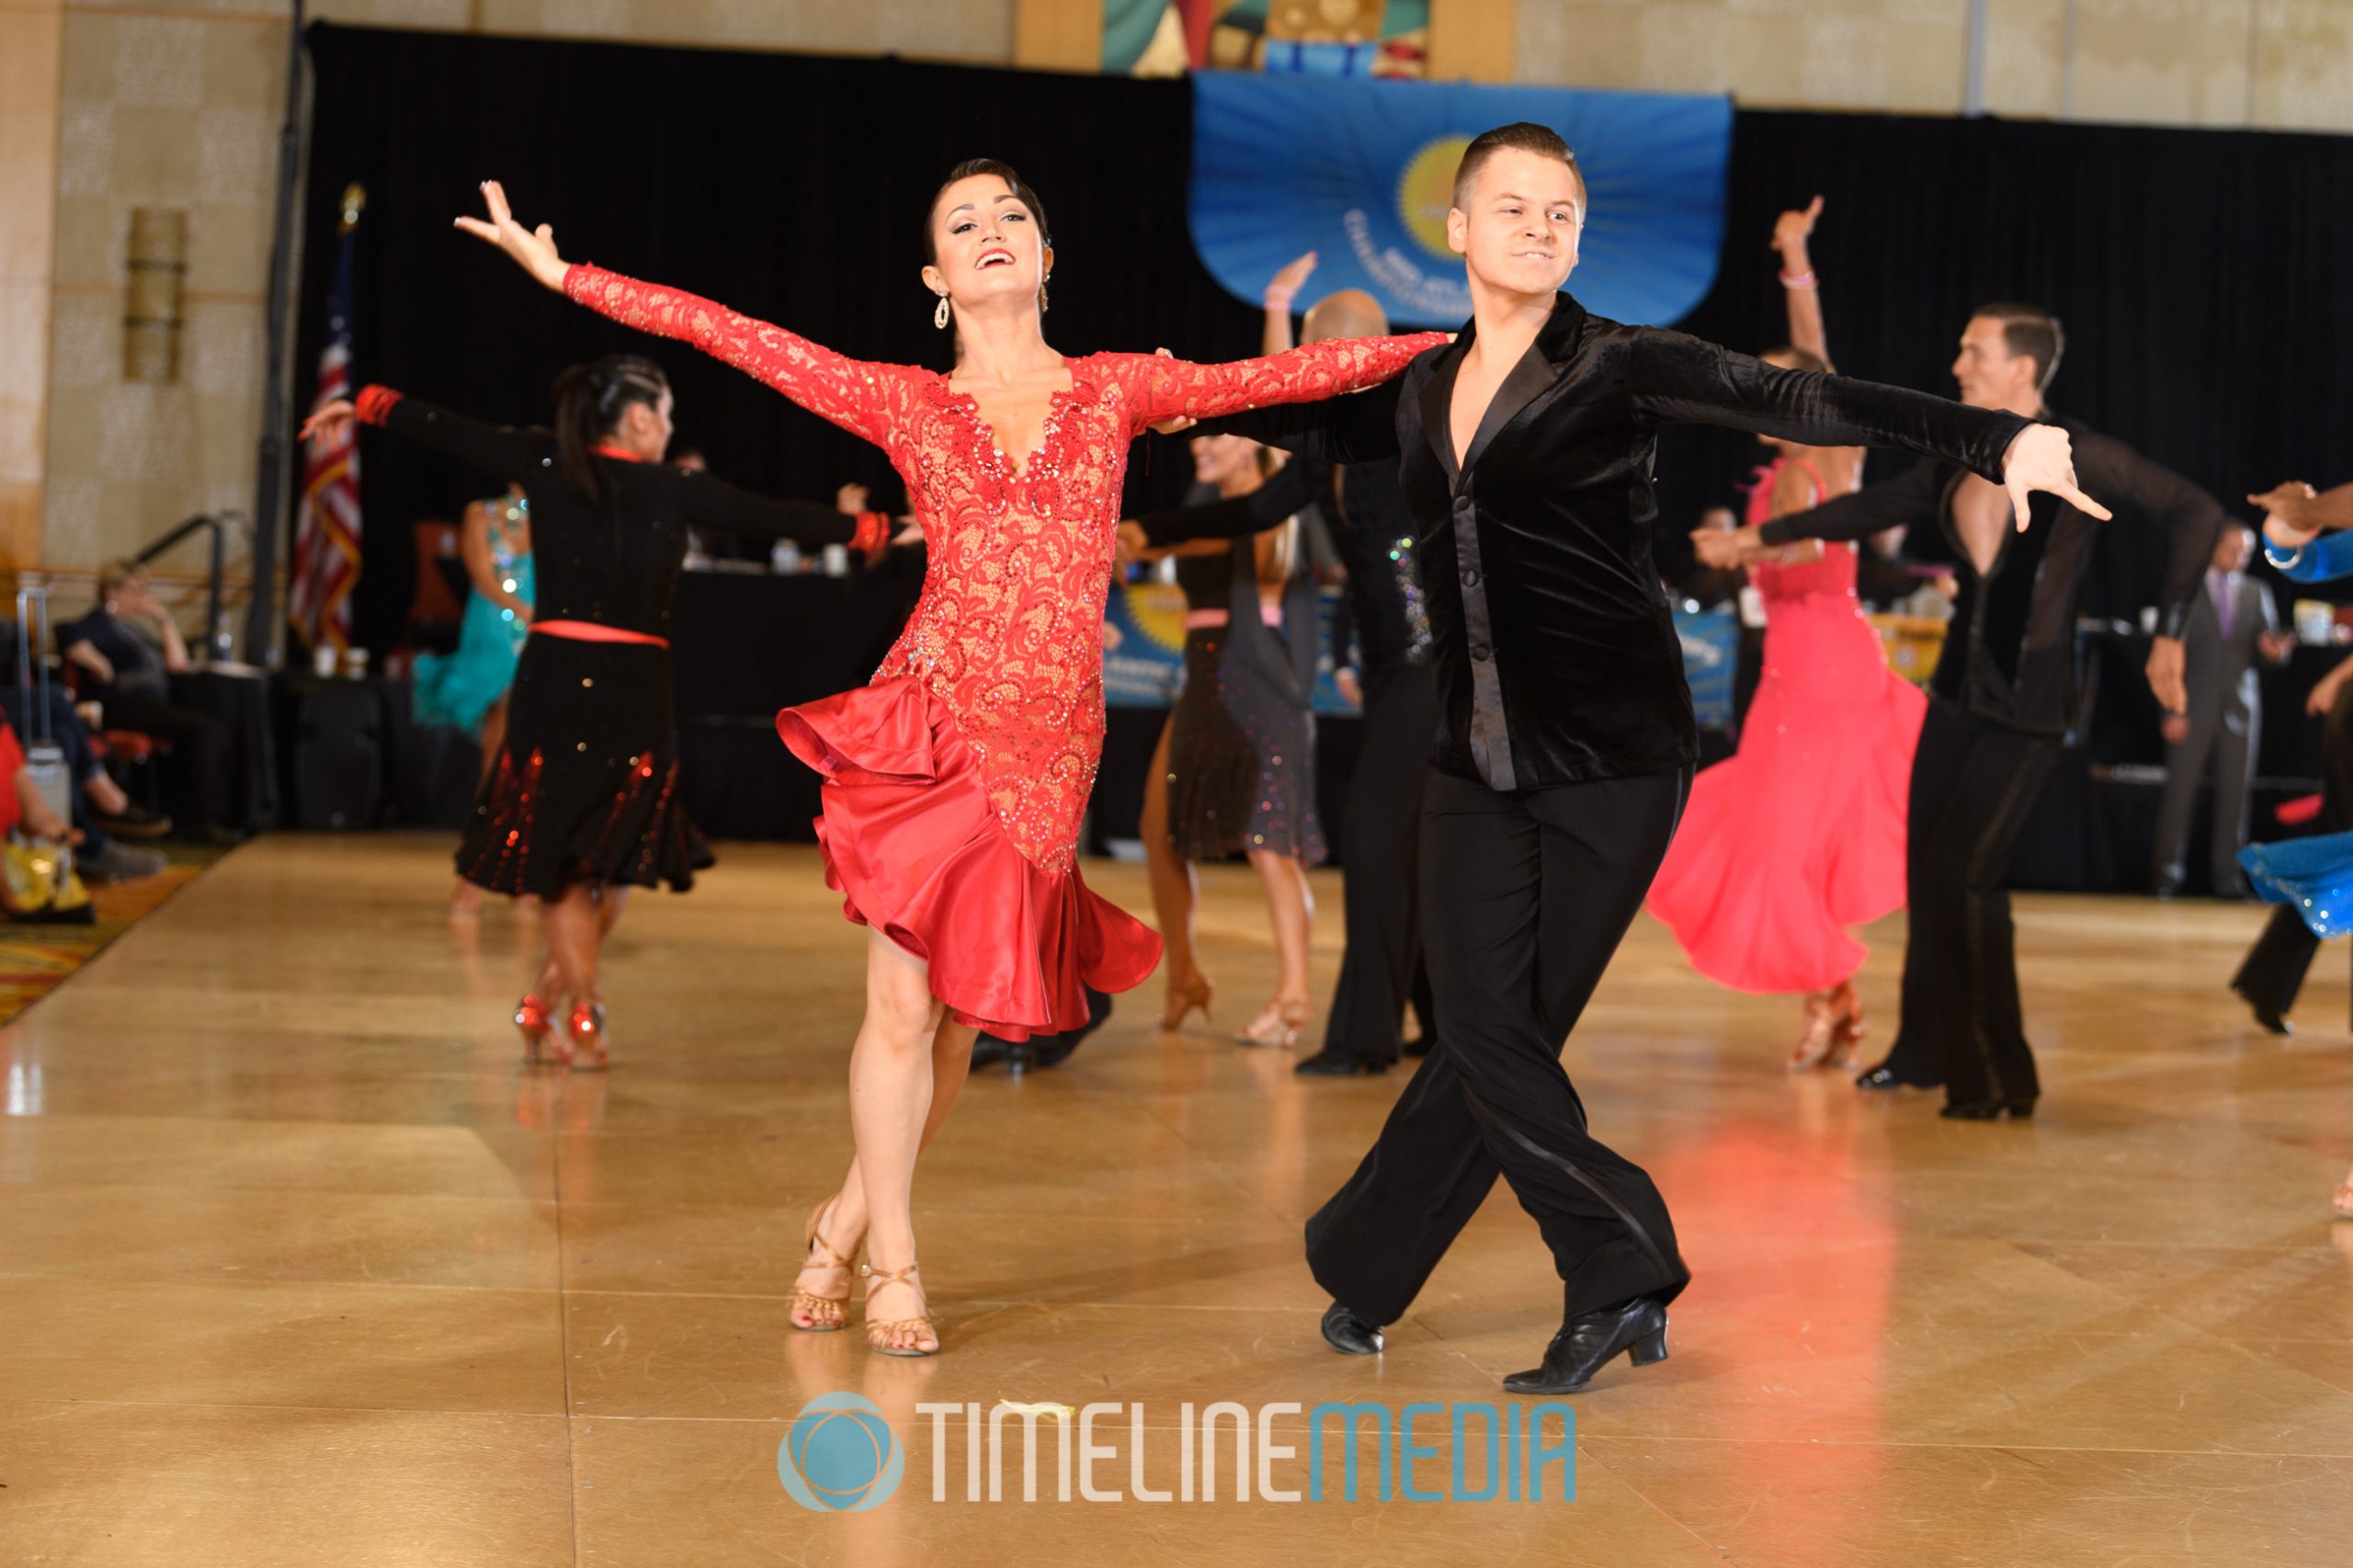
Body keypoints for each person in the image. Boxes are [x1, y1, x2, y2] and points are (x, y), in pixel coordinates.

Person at [454, 165, 1444, 1358]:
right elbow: (731, 335)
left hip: (1055, 744)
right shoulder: (908, 403)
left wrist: (1479, 328)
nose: (991, 233)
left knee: (966, 1022)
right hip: (935, 719)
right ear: (935, 277)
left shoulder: (1118, 388)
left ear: (1046, 255)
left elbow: (1285, 375)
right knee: (900, 1001)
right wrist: (565, 275)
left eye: (1013, 216)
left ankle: (842, 1218)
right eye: (963, 224)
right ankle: (899, 1266)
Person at [1207, 122, 2103, 1393]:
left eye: (1558, 209)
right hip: (1472, 750)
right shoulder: (1413, 389)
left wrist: (1991, 437)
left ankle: (1600, 1267)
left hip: (1612, 756)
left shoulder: (1620, 366)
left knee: (1511, 1029)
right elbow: (1278, 419)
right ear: (1457, 231)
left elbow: (1805, 396)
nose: (1536, 226)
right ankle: (1382, 1254)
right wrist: (1087, 404)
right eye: (1508, 206)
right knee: (1477, 1023)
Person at [302, 355, 894, 1072]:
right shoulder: (566, 463)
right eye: (667, 414)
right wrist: (874, 529)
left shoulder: (633, 478)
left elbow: (767, 515)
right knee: (565, 859)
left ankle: (544, 1002)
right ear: (641, 417)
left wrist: (364, 405)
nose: (671, 427)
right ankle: (585, 1009)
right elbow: (453, 431)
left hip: (625, 685)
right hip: (587, 681)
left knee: (611, 863)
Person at [1703, 301, 2219, 1120]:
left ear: (2022, 368)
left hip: (2029, 706)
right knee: (1930, 873)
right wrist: (1759, 540)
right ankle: (1925, 1051)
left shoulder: (2077, 453)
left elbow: (2197, 511)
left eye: (1973, 351)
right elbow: (1871, 511)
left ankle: (1998, 1074)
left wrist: (2171, 635)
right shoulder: (1962, 451)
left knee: (1965, 874)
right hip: (1956, 696)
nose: (1956, 365)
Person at [1649, 196, 1921, 1070]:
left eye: (1771, 383)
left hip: (1829, 666)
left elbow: (1820, 366)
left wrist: (1741, 546)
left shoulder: (1833, 454)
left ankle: (1830, 1001)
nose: (1752, 395)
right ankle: (1835, 1002)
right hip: (1789, 668)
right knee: (1777, 837)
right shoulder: (1780, 465)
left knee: (1784, 839)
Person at [1131, 433, 1325, 1047]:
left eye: (1213, 438)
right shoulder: (1205, 505)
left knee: (1271, 842)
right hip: (1203, 678)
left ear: (1250, 446)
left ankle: (1293, 995)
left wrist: (1147, 533)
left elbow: (1234, 541)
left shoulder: (1273, 513)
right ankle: (1184, 974)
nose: (1198, 449)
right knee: (1158, 828)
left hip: (1257, 683)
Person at [2151, 522, 2290, 898]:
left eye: (2247, 551)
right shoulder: (2188, 589)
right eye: (2234, 548)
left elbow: (2270, 650)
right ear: (2214, 546)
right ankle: (2165, 876)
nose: (2240, 557)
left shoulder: (2256, 592)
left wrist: (2274, 652)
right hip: (2191, 706)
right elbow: (2166, 656)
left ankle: (2228, 879)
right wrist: (2170, 709)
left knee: (2236, 800)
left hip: (2241, 709)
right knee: (2179, 795)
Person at [412, 483, 533, 913]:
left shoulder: (556, 515)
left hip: (541, 639)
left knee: (532, 756)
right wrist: (525, 614)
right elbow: (482, 576)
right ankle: (477, 870)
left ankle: (521, 868)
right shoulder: (481, 513)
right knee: (497, 754)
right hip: (497, 635)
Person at [58, 562, 238, 843]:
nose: (142, 597)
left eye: (144, 590)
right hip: (121, 703)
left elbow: (178, 664)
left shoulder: (134, 630)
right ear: (111, 592)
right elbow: (68, 637)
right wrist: (98, 663)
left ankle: (196, 814)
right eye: (135, 590)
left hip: (150, 706)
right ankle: (201, 821)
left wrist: (164, 619)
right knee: (205, 729)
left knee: (212, 724)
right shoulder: (100, 623)